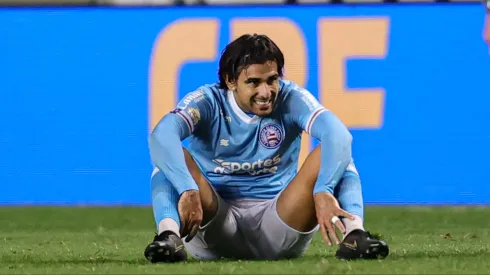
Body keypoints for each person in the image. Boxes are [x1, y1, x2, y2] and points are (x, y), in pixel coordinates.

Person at [144, 34, 389, 263]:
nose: (266, 92)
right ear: (231, 81)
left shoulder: (291, 98)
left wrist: (323, 190)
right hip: (215, 224)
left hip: (280, 222)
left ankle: (355, 235)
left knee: (338, 153)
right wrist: (188, 190)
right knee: (169, 157)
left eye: (272, 80)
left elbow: (339, 135)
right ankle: (169, 237)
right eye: (254, 82)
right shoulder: (207, 101)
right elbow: (161, 136)